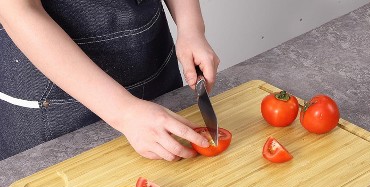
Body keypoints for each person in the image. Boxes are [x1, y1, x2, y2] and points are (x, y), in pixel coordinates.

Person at [0, 0, 219, 161]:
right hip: (60, 103)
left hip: (153, 64)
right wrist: (125, 112)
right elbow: (18, 11)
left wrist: (191, 28)